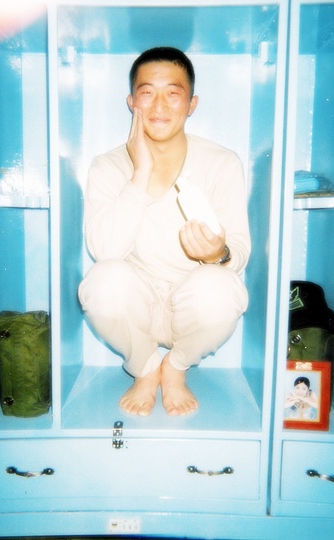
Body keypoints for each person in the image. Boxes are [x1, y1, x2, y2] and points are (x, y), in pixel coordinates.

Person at [78, 47, 250, 417]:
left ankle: (175, 367)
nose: (159, 105)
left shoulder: (222, 163)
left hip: (190, 309)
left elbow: (239, 250)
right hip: (135, 309)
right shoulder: (107, 166)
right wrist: (140, 172)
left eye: (173, 93)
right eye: (146, 92)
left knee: (223, 288)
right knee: (101, 281)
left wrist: (217, 254)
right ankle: (145, 367)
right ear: (131, 102)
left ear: (191, 104)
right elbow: (104, 251)